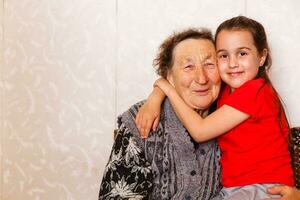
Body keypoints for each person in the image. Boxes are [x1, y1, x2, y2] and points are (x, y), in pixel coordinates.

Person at [136, 16, 295, 200]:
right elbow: (193, 92)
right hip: (237, 189)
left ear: (262, 57)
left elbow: (200, 131)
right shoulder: (227, 91)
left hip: (263, 189)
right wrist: (156, 96)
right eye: (223, 56)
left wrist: (165, 87)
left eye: (242, 53)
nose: (233, 63)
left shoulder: (255, 91)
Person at [99, 28, 222, 199]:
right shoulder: (142, 118)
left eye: (210, 65)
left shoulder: (234, 116)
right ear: (170, 78)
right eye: (188, 66)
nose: (202, 78)